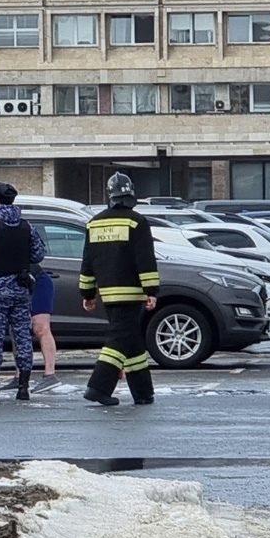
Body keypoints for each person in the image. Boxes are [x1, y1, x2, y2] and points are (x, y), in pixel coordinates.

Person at [80, 172, 160, 406]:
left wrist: (87, 293)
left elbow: (87, 261)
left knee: (131, 340)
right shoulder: (136, 221)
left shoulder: (94, 223)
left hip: (108, 294)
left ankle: (143, 392)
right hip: (132, 293)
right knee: (118, 340)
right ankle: (98, 387)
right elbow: (145, 260)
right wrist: (151, 291)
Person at [0, 183, 46, 402]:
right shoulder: (26, 226)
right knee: (22, 337)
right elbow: (38, 254)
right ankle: (23, 387)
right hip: (20, 287)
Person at [0, 223, 60, 394]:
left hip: (36, 281)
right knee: (18, 330)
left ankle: (49, 374)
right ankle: (19, 376)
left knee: (40, 327)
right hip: (19, 287)